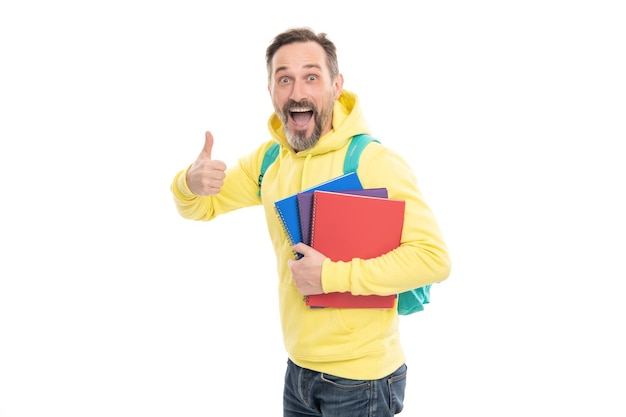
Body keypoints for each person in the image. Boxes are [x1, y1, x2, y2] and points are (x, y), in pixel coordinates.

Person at [171, 27, 451, 417]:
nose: (297, 92)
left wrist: (331, 276)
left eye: (311, 76)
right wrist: (189, 183)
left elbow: (434, 259)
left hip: (362, 381)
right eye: (284, 78)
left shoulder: (373, 162)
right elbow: (201, 207)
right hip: (299, 371)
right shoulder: (270, 161)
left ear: (336, 86)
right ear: (270, 90)